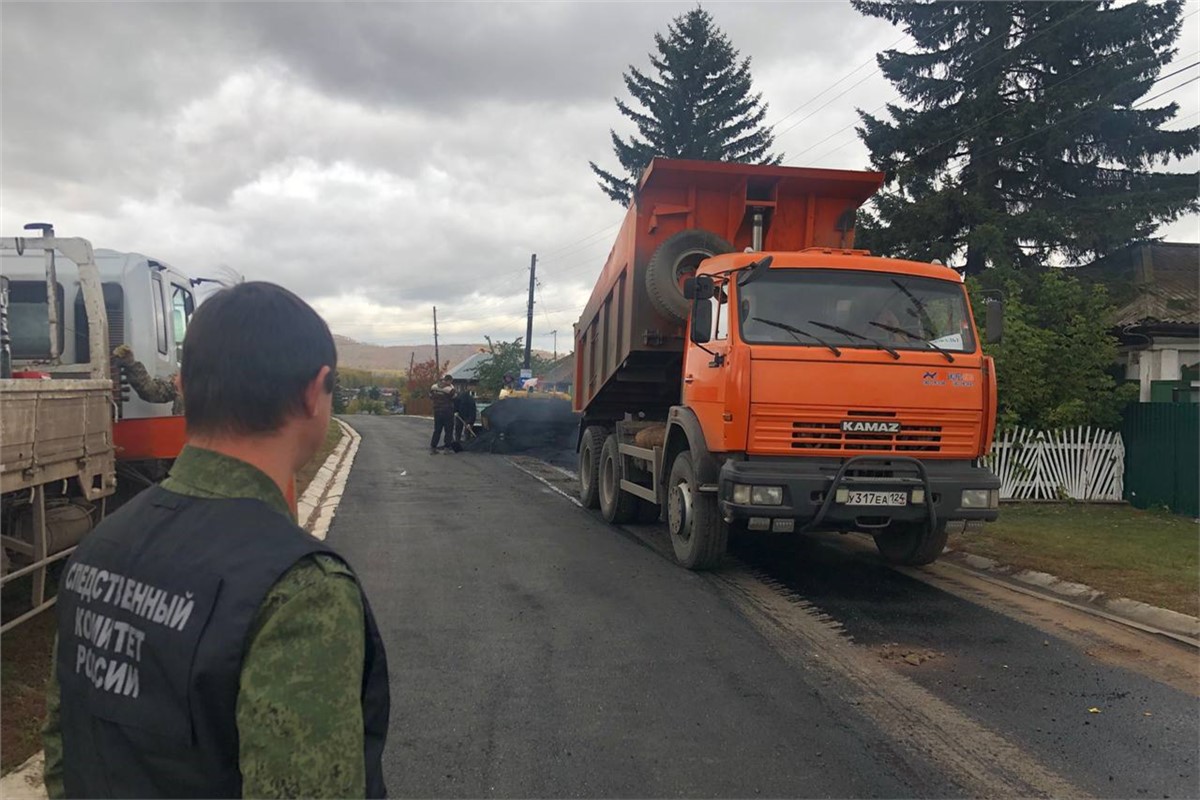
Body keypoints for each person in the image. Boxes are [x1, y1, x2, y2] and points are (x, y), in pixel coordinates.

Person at [42, 282, 390, 799]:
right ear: (313, 391)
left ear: (183, 386)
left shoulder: (100, 545)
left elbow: (60, 756)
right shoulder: (299, 590)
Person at [429, 374, 456, 454]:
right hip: (447, 411)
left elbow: (430, 396)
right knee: (448, 430)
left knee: (437, 430)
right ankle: (447, 448)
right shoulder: (449, 389)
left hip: (437, 411)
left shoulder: (434, 387)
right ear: (449, 380)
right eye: (451, 381)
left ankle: (433, 447)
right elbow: (455, 397)